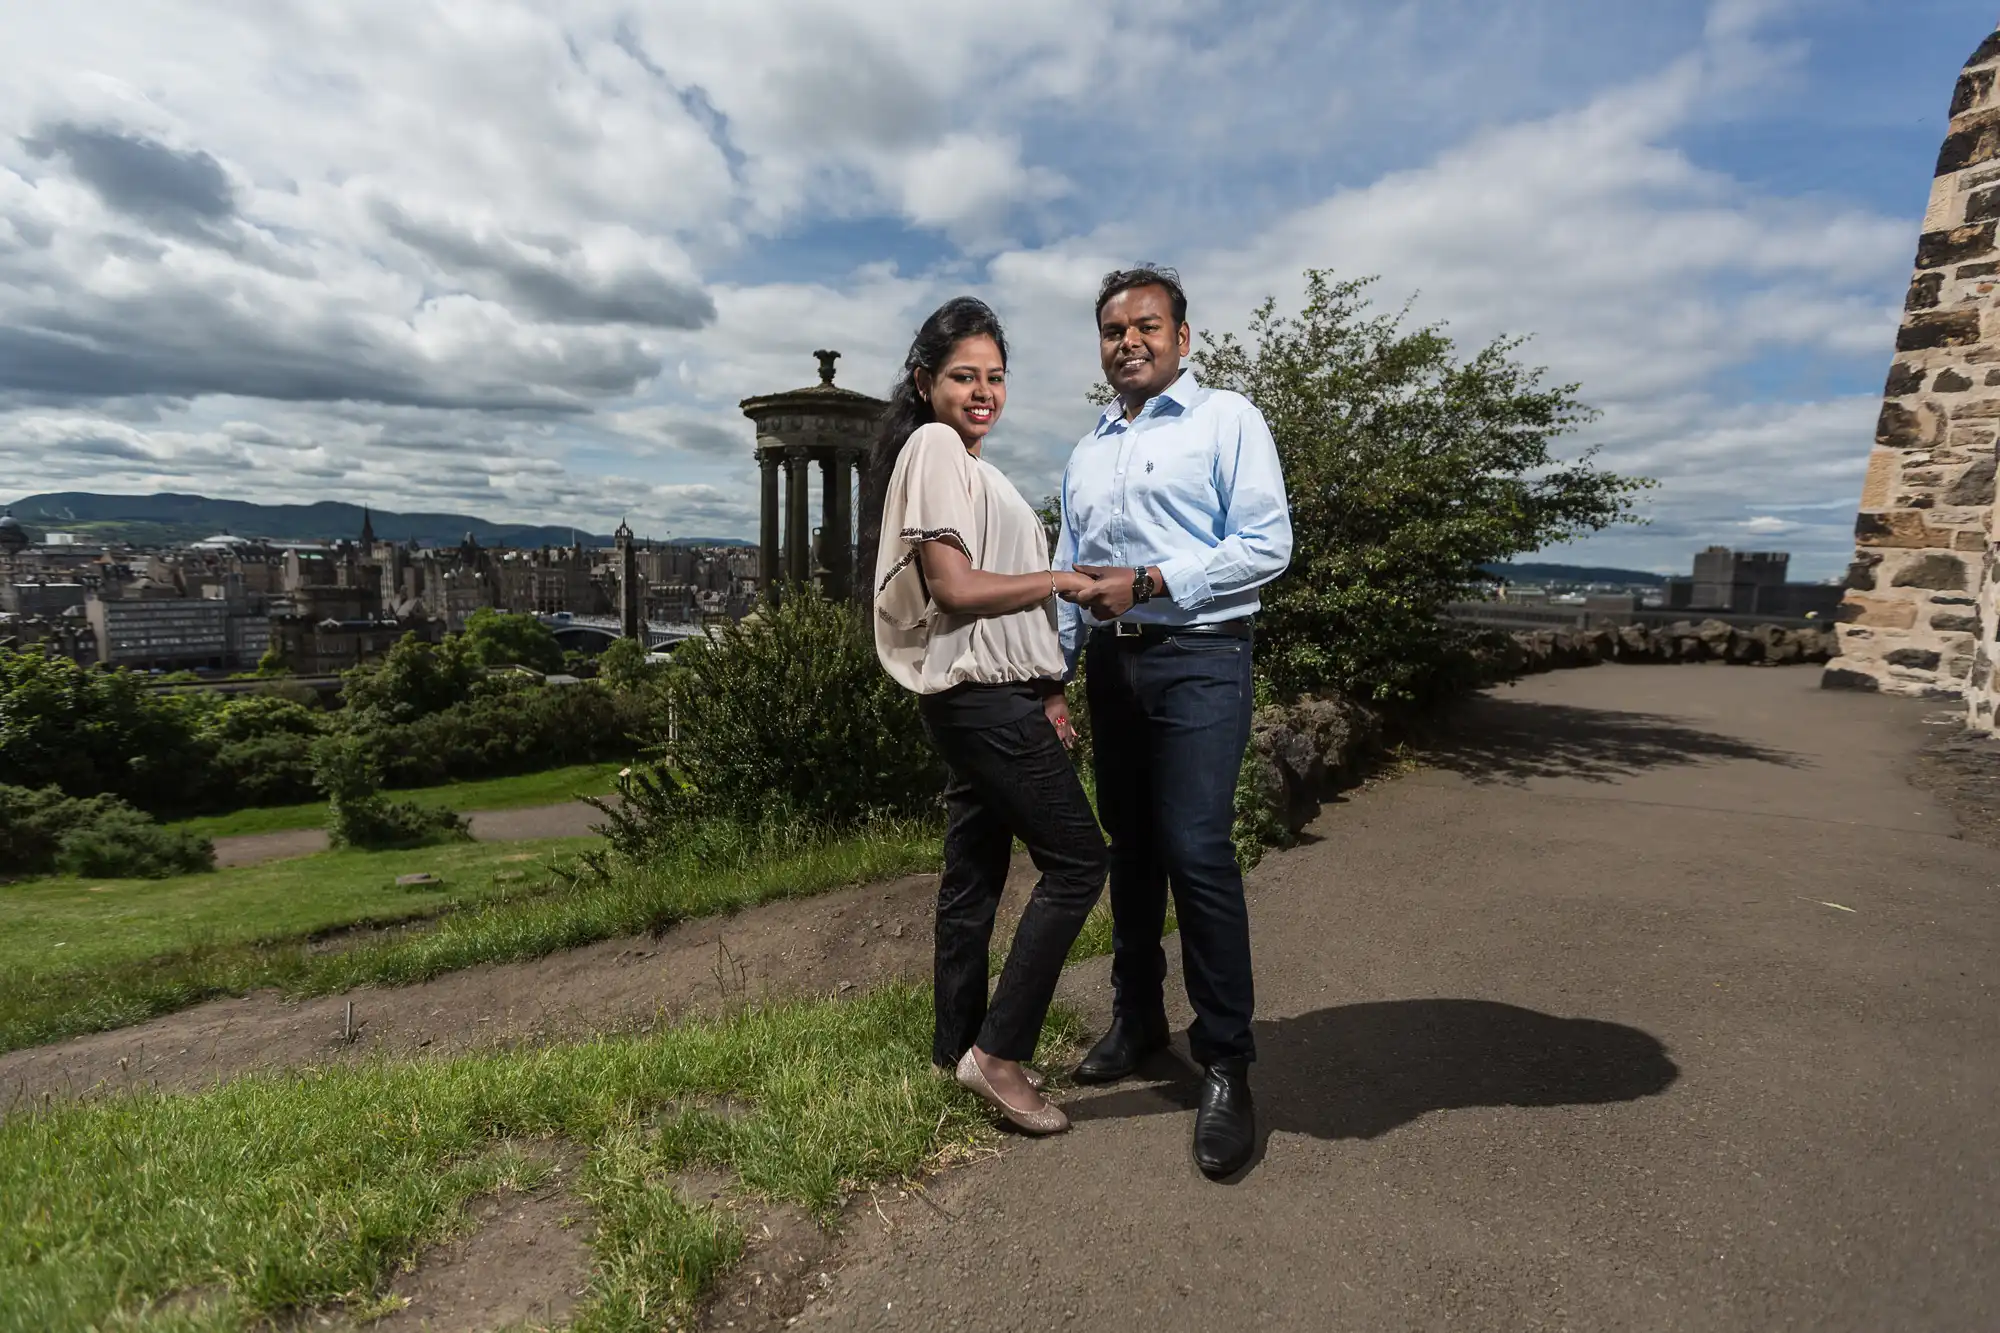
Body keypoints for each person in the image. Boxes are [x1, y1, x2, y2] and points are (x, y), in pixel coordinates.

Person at [1055, 265, 1293, 1178]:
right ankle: (1139, 1014)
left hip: (1201, 656)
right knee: (1131, 848)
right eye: (1113, 329)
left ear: (1183, 337)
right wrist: (1053, 678)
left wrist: (1153, 582)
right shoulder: (1086, 453)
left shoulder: (1229, 420)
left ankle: (1227, 1061)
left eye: (1146, 325)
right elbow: (1070, 574)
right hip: (1115, 667)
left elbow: (1267, 545)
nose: (1129, 340)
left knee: (1195, 845)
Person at [872, 295, 1108, 1135]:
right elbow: (956, 588)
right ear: (924, 381)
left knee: (974, 874)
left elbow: (994, 594)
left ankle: (956, 1043)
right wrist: (1064, 580)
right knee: (1079, 863)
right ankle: (998, 1055)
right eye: (964, 376)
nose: (982, 392)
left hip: (985, 694)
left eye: (995, 377)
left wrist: (1048, 683)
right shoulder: (937, 446)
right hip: (978, 698)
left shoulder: (974, 465)